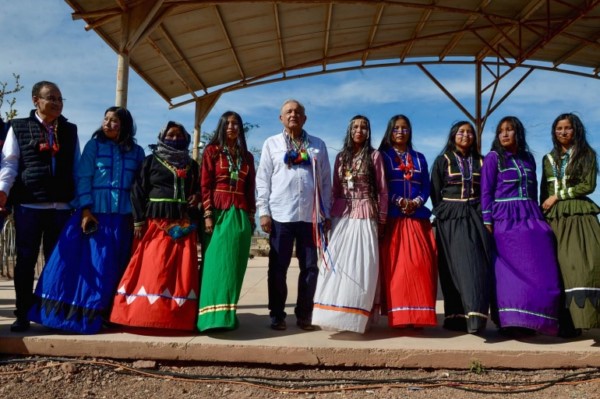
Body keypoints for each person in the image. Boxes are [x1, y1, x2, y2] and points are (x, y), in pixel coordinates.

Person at [27, 107, 145, 334]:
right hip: (95, 217)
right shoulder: (94, 146)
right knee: (93, 268)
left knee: (117, 267)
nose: (108, 124)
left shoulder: (137, 152)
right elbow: (83, 178)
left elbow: (140, 185)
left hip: (122, 219)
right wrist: (85, 211)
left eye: (114, 121)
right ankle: (77, 317)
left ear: (125, 125)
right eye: (106, 119)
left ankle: (111, 314)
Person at [0, 81, 80, 332]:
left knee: (57, 261)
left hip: (61, 206)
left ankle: (53, 314)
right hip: (29, 205)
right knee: (25, 261)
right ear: (36, 100)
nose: (56, 102)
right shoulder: (19, 126)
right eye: (51, 98)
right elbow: (10, 163)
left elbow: (76, 166)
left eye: (59, 98)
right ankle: (22, 313)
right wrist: (2, 191)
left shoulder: (69, 129)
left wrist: (79, 201)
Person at [109, 121, 200, 331]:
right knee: (154, 267)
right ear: (162, 137)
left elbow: (196, 189)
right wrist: (138, 220)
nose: (175, 139)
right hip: (155, 223)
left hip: (183, 224)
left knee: (180, 271)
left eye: (179, 136)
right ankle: (144, 315)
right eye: (171, 135)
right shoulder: (150, 162)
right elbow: (138, 191)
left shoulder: (192, 165)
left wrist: (196, 197)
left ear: (186, 139)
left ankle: (176, 318)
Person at [481, 116, 561, 336]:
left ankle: (534, 319)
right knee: (508, 273)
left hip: (530, 215)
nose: (505, 134)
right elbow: (486, 191)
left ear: (518, 133)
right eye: (501, 131)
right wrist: (487, 220)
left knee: (541, 269)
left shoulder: (528, 158)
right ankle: (511, 321)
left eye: (510, 130)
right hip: (505, 219)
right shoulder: (493, 158)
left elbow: (534, 190)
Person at [256, 99, 332, 331]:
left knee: (310, 268)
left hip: (310, 216)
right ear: (281, 118)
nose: (293, 115)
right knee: (278, 267)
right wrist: (264, 212)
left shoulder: (317, 145)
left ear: (305, 118)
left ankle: (304, 314)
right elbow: (263, 180)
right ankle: (277, 315)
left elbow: (326, 182)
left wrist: (326, 212)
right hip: (281, 215)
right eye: (288, 111)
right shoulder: (271, 144)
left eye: (298, 112)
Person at [312, 115, 387, 333]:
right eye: (355, 126)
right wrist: (327, 216)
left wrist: (381, 218)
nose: (360, 130)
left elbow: (382, 190)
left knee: (362, 266)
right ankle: (335, 314)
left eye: (364, 127)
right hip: (341, 215)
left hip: (365, 215)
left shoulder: (374, 156)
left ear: (369, 132)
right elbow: (335, 190)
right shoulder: (341, 157)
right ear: (349, 130)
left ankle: (357, 317)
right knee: (337, 266)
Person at [540, 113, 600, 337]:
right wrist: (541, 213)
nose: (563, 132)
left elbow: (589, 185)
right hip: (554, 218)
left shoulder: (587, 154)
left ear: (576, 130)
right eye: (558, 128)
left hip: (579, 215)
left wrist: (559, 196)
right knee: (557, 268)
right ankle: (563, 322)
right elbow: (543, 191)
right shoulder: (547, 158)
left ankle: (583, 319)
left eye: (567, 128)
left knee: (581, 266)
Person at [430, 121, 492, 334]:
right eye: (461, 132)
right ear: (453, 135)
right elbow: (435, 192)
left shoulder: (482, 162)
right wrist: (443, 214)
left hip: (474, 216)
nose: (465, 135)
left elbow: (487, 190)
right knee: (449, 268)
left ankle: (475, 318)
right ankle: (455, 317)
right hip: (449, 218)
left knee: (473, 266)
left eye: (469, 132)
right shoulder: (442, 161)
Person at [198, 111, 256, 331]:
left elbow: (250, 189)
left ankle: (227, 316)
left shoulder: (247, 156)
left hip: (239, 214)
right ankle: (209, 318)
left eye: (236, 124)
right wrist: (208, 215)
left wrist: (251, 216)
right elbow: (205, 185)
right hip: (218, 214)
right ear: (221, 127)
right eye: (228, 123)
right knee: (215, 266)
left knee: (234, 267)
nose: (232, 127)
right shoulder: (212, 151)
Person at [378, 114, 437, 328]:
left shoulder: (420, 157)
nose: (400, 132)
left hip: (417, 219)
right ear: (390, 132)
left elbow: (426, 186)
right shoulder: (382, 156)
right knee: (398, 270)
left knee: (421, 266)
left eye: (404, 128)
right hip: (394, 219)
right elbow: (381, 185)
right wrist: (399, 200)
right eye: (396, 128)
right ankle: (401, 316)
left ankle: (419, 316)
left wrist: (418, 201)